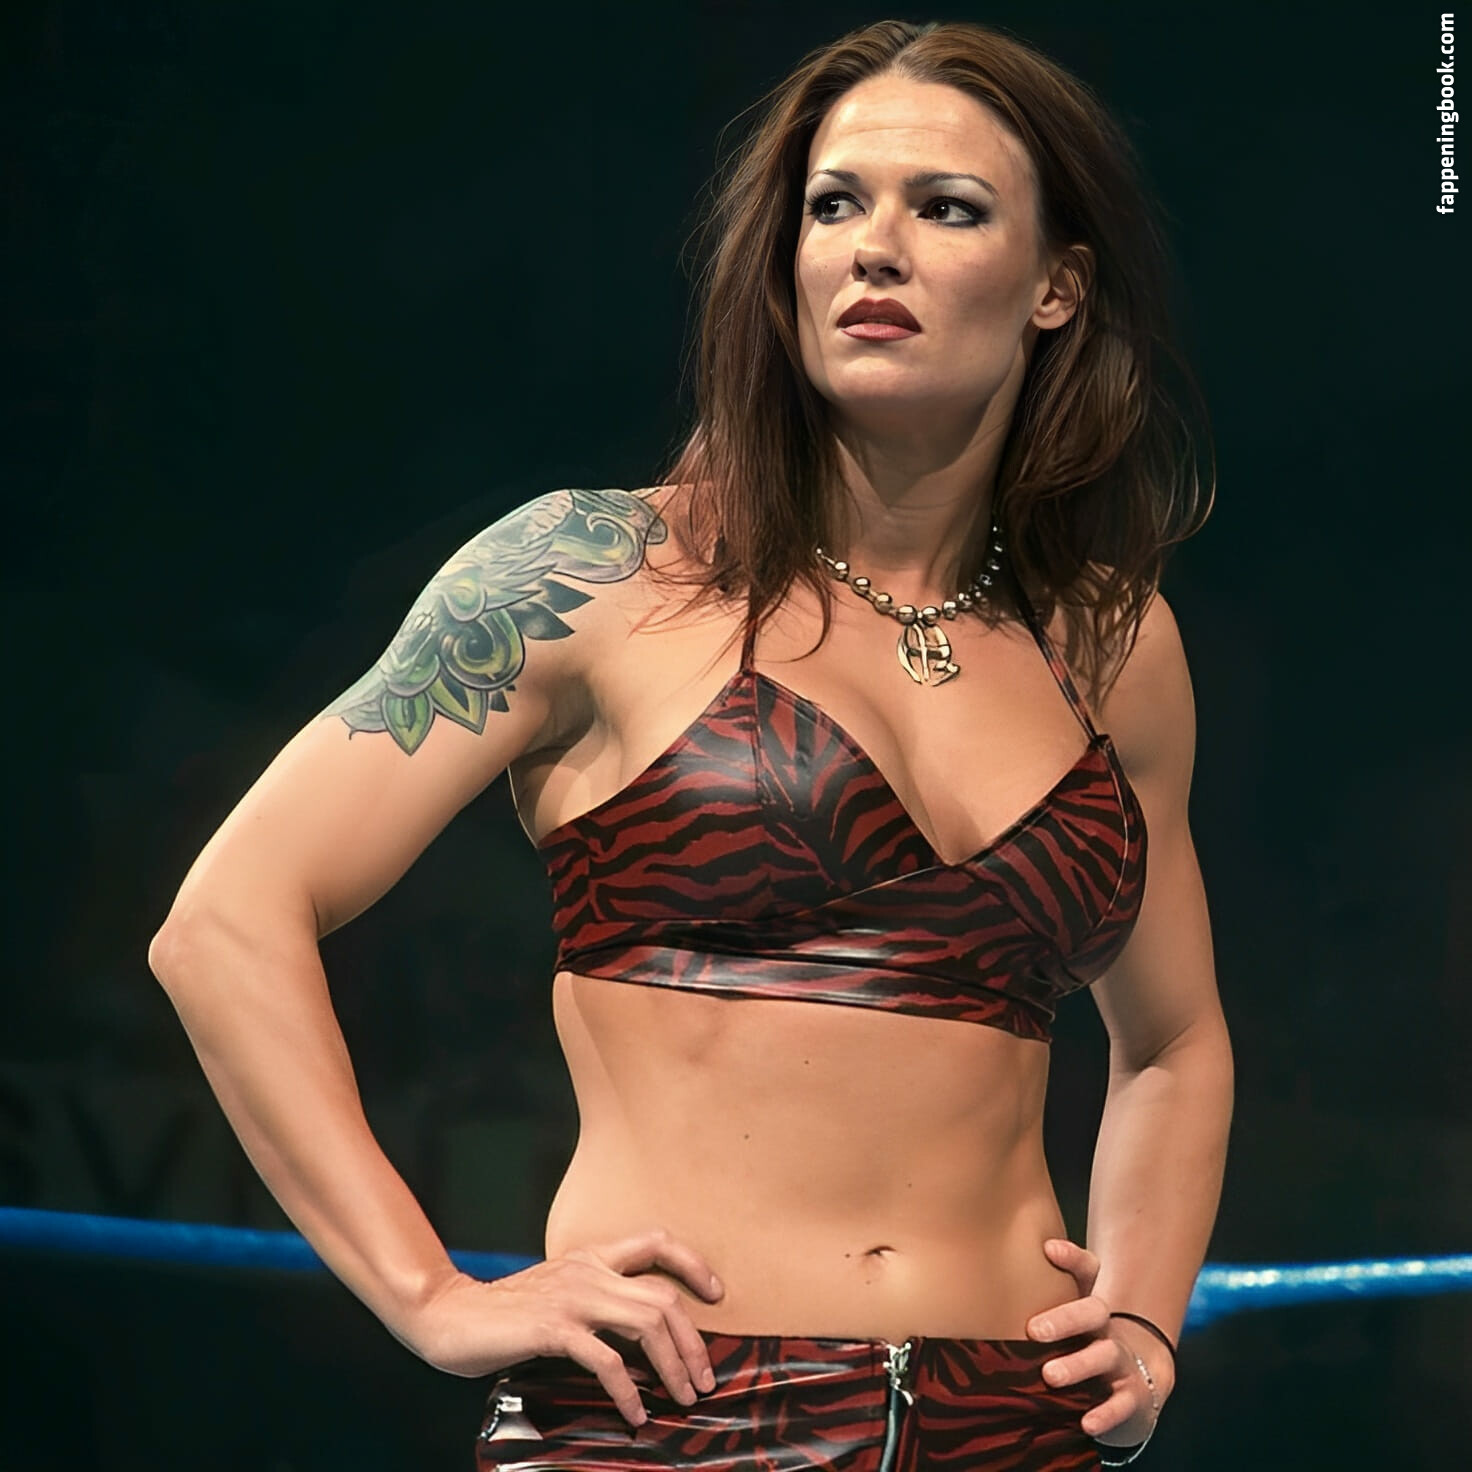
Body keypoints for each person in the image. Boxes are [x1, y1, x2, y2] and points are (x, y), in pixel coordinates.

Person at [148, 17, 1232, 1471]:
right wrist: (428, 1293)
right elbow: (225, 922)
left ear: (1057, 287)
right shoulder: (597, 573)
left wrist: (1147, 1322)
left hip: (1015, 1422)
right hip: (676, 1419)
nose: (875, 247)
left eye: (947, 208)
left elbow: (1174, 1041)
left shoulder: (1111, 642)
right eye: (834, 204)